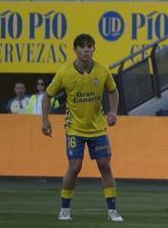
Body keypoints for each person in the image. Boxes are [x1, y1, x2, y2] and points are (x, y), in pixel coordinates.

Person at [42, 33, 123, 222]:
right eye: (82, 47)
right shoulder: (65, 72)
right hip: (74, 128)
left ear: (94, 49)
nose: (86, 50)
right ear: (75, 50)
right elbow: (47, 95)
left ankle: (112, 210)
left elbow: (113, 91)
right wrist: (45, 120)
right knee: (75, 166)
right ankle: (64, 209)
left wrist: (113, 111)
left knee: (105, 165)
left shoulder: (102, 70)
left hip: (98, 128)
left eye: (89, 47)